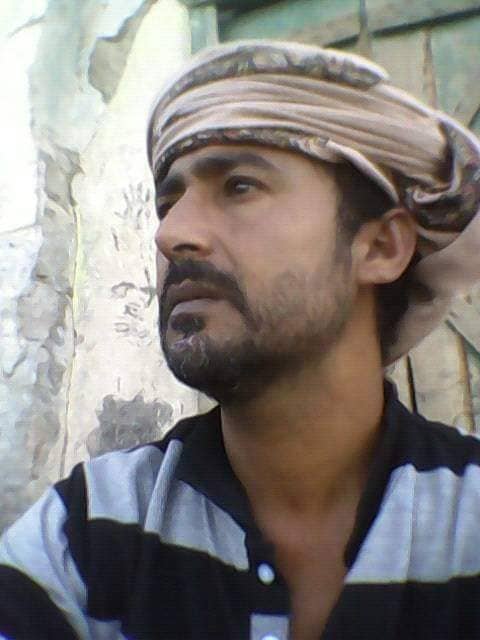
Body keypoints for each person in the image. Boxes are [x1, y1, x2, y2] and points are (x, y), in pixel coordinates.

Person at [1, 40, 480, 640]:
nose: (171, 233)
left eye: (239, 186)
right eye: (169, 201)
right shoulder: (85, 534)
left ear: (381, 247)